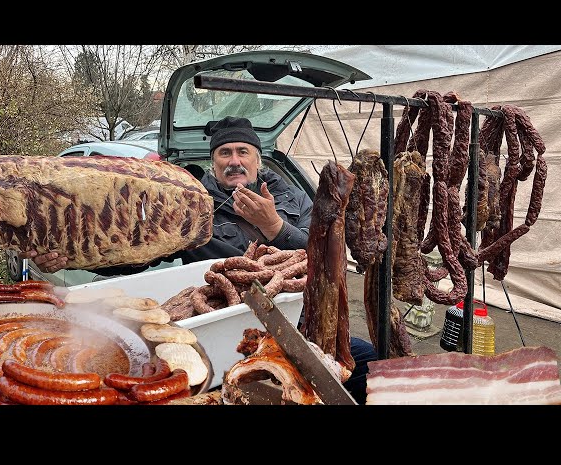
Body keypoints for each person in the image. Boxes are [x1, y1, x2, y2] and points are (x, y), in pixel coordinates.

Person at [20, 115, 377, 404]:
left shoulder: (293, 198)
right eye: (225, 153)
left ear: (257, 159)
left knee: (368, 363)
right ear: (214, 161)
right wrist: (69, 260)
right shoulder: (192, 205)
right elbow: (137, 255)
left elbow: (323, 258)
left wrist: (273, 225)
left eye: (243, 152)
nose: (234, 161)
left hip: (298, 322)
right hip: (220, 334)